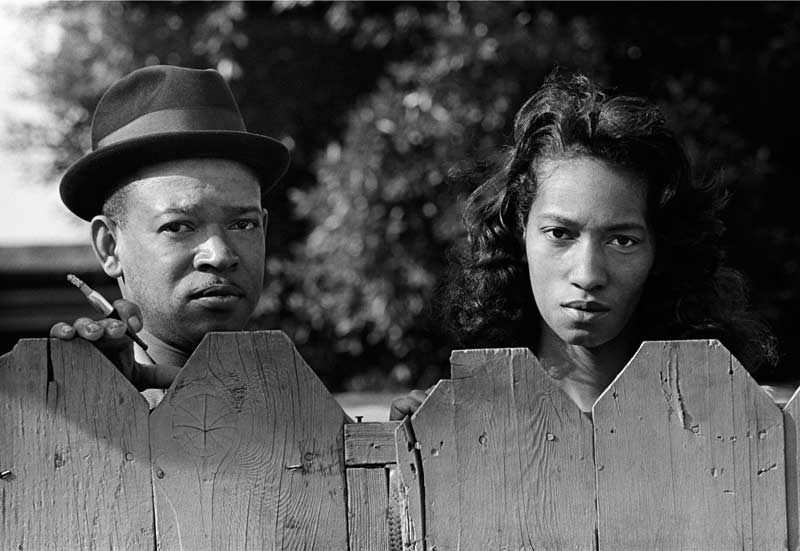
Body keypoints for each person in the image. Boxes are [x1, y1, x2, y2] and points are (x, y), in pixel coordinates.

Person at [391, 71, 776, 418]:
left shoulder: (732, 422)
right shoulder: (452, 421)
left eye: (622, 240)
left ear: (660, 249)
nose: (589, 274)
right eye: (560, 233)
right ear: (520, 233)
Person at [50, 65, 290, 404]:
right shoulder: (63, 405)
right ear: (110, 247)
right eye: (178, 226)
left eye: (243, 224)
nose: (219, 254)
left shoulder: (301, 401)